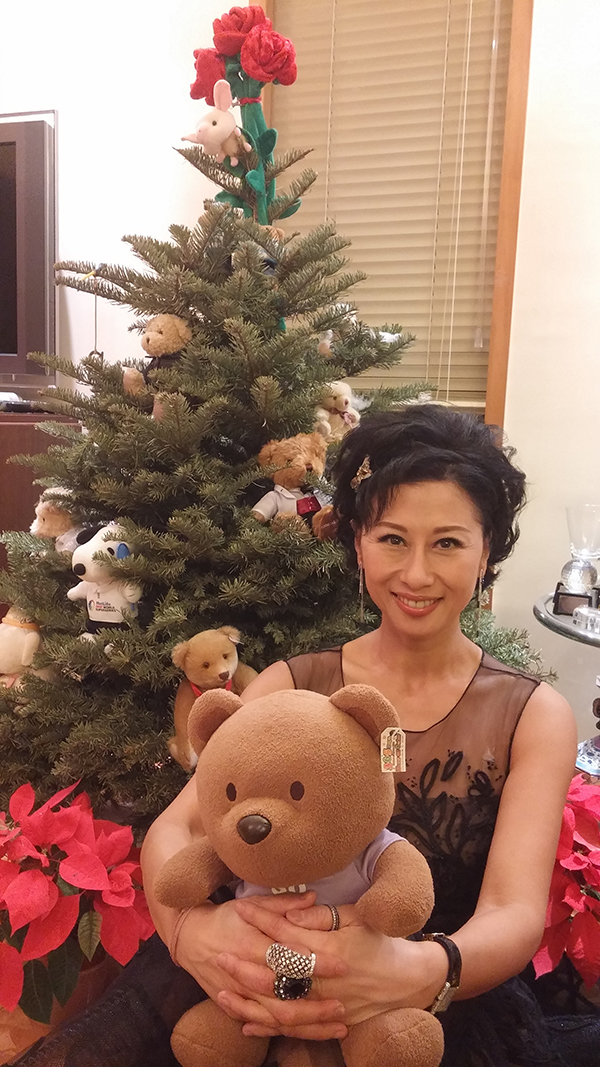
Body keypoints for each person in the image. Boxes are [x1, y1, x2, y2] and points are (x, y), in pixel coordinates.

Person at [136, 405, 584, 1067]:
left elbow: (512, 911)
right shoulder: (290, 684)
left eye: (448, 543)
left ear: (487, 549)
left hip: (431, 1005)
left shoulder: (533, 715)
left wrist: (417, 971)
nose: (417, 573)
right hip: (252, 985)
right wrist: (190, 934)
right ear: (358, 543)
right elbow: (176, 830)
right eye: (393, 538)